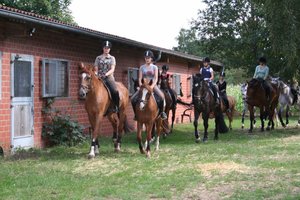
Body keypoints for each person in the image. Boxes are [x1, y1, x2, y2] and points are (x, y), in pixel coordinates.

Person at [131, 50, 167, 120]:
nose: (147, 59)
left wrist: (152, 86)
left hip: (153, 85)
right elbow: (140, 78)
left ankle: (162, 113)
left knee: (162, 97)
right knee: (132, 99)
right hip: (144, 86)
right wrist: (141, 86)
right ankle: (136, 115)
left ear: (151, 58)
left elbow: (156, 78)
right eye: (146, 57)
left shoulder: (154, 67)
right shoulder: (142, 67)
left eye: (148, 58)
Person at [94, 40, 119, 113]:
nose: (106, 49)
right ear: (103, 48)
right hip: (99, 77)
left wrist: (105, 74)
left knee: (114, 91)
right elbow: (96, 68)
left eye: (108, 48)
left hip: (109, 77)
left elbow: (112, 69)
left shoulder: (112, 58)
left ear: (110, 49)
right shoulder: (98, 58)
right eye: (105, 48)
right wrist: (96, 74)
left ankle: (116, 106)